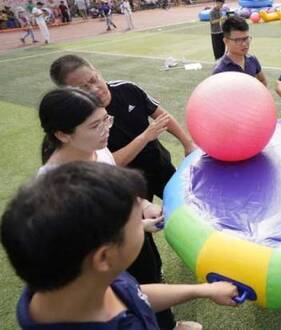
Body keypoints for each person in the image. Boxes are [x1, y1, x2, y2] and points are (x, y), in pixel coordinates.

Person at [1, 162, 240, 329]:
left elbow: (132, 295)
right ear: (104, 256)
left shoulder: (66, 279)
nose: (143, 224)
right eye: (137, 221)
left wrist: (204, 290)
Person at [35, 87, 198, 329]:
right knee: (126, 301)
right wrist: (137, 225)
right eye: (95, 126)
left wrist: (142, 206)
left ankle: (168, 325)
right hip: (99, 264)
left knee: (149, 275)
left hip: (124, 239)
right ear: (63, 135)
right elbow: (88, 246)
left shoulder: (98, 150)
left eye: (106, 120)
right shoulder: (57, 187)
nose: (106, 130)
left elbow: (116, 191)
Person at [49, 54, 194, 202]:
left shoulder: (127, 89)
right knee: (142, 223)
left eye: (94, 80)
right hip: (127, 182)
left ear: (97, 71)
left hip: (160, 165)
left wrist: (187, 143)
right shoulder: (80, 123)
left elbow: (161, 115)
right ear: (69, 93)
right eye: (83, 88)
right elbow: (106, 164)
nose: (94, 89)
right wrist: (144, 137)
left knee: (189, 205)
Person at [213, 16, 267, 86]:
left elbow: (262, 80)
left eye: (246, 38)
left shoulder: (252, 60)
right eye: (238, 40)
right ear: (226, 41)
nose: (244, 44)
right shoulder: (220, 70)